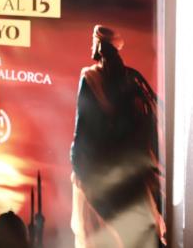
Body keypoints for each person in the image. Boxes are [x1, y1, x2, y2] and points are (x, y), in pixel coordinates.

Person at [70, 25, 165, 247]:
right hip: (132, 172)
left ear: (98, 46)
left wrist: (78, 165)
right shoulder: (132, 78)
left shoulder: (90, 78)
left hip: (99, 173)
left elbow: (84, 128)